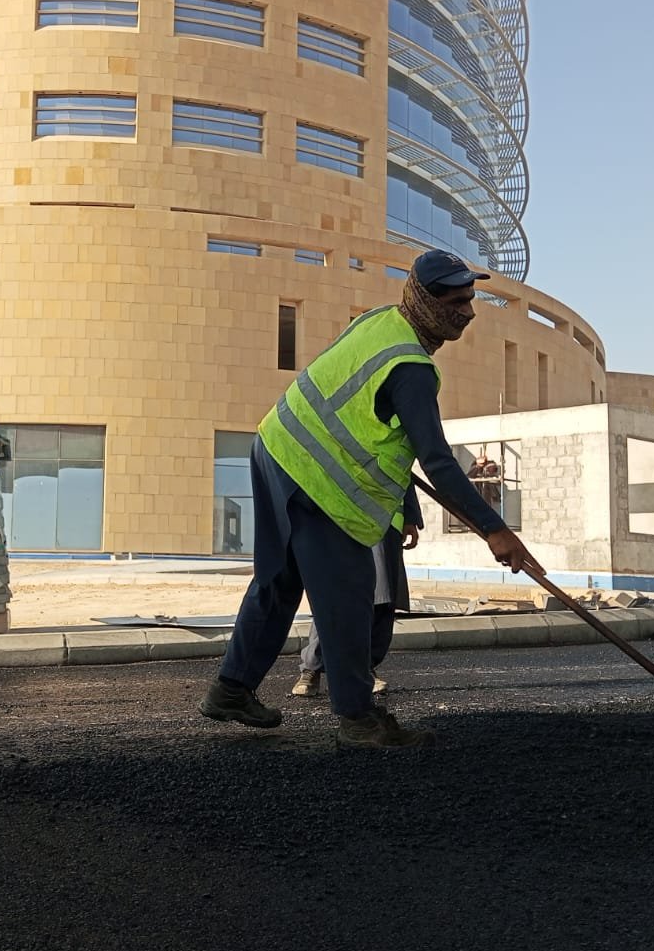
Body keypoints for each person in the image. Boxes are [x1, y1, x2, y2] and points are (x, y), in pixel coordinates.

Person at [199, 249, 537, 747]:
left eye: (470, 300)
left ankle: (231, 689)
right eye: (457, 302)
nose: (468, 312)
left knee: (280, 581)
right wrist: (495, 529)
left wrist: (408, 508)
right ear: (427, 302)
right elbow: (438, 462)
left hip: (278, 446)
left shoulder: (382, 322)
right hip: (316, 478)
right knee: (349, 594)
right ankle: (359, 720)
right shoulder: (411, 367)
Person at [290, 499, 419, 698]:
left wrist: (410, 516)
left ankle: (365, 668)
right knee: (332, 595)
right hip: (343, 517)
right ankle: (312, 667)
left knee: (382, 598)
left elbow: (406, 480)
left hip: (386, 523)